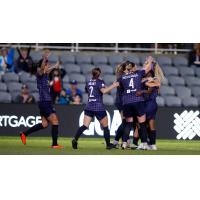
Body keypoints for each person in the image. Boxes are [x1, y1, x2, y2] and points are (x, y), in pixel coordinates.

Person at [20, 56, 64, 148]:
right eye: (46, 65)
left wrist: (54, 66)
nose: (47, 66)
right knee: (55, 121)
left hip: (44, 102)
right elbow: (42, 69)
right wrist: (44, 59)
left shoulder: (45, 75)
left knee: (44, 124)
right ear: (42, 66)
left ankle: (24, 134)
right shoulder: (39, 74)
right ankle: (54, 144)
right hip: (45, 102)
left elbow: (47, 70)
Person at [72, 67, 119, 150]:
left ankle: (75, 139)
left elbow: (88, 90)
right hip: (98, 107)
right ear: (99, 74)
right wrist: (113, 85)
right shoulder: (100, 82)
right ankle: (108, 145)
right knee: (105, 127)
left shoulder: (88, 82)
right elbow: (104, 91)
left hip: (89, 106)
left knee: (84, 125)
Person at [118, 58, 152, 150]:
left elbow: (122, 87)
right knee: (142, 123)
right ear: (133, 68)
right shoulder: (138, 74)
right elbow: (148, 68)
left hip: (127, 102)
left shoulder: (122, 77)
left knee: (128, 123)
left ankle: (124, 143)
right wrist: (149, 61)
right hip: (137, 100)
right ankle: (144, 143)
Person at [136, 60, 165, 150]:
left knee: (143, 124)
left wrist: (145, 84)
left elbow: (157, 84)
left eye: (146, 64)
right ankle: (151, 144)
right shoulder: (144, 76)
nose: (144, 65)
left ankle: (147, 143)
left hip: (149, 103)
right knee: (148, 124)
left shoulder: (153, 77)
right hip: (148, 103)